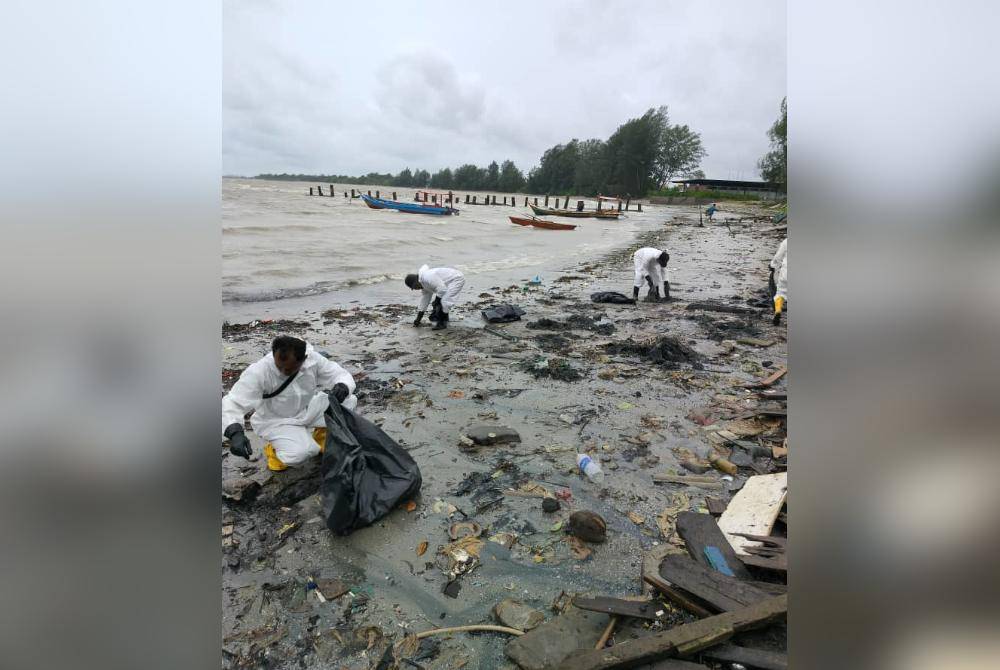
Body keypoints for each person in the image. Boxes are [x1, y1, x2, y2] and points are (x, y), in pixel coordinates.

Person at [222, 335, 357, 471]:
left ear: (303, 360)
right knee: (302, 453)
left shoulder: (313, 360)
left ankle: (321, 435)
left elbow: (339, 374)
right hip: (276, 421)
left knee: (348, 401)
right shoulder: (259, 372)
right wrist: (235, 433)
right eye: (278, 366)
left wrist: (343, 386)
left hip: (307, 410)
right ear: (274, 354)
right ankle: (274, 450)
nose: (281, 371)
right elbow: (233, 402)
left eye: (288, 369)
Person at [404, 264, 465, 330]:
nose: (416, 289)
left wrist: (437, 301)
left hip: (456, 279)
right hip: (449, 281)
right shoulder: (424, 284)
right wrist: (418, 319)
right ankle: (444, 319)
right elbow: (425, 300)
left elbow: (442, 289)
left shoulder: (427, 277)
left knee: (444, 301)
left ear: (416, 281)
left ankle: (442, 324)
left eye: (415, 286)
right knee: (440, 301)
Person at [769, 237, 787, 325]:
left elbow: (778, 257)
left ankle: (778, 311)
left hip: (786, 272)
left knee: (780, 293)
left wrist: (772, 265)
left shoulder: (786, 241)